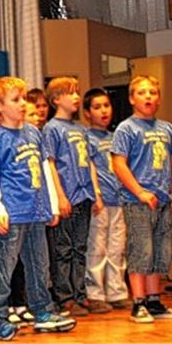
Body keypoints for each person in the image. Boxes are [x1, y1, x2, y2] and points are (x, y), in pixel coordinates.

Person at [0, 76, 75, 340]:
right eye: (16, 99)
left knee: (39, 264)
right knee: (4, 266)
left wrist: (52, 205)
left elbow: (45, 169)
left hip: (36, 211)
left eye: (23, 99)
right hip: (13, 214)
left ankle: (42, 310)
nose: (23, 104)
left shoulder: (33, 132)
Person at [111, 75, 172, 323]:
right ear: (132, 99)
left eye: (153, 92)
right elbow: (119, 164)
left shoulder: (166, 128)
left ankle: (154, 300)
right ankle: (139, 302)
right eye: (142, 93)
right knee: (141, 249)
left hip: (163, 199)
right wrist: (139, 191)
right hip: (138, 201)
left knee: (159, 251)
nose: (148, 97)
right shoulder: (127, 128)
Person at [41, 77, 100, 316]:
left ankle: (80, 293)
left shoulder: (81, 130)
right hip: (68, 196)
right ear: (56, 100)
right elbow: (51, 164)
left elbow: (90, 163)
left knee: (80, 247)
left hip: (84, 194)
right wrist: (60, 196)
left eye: (77, 92)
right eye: (70, 93)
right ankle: (65, 296)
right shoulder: (52, 128)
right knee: (63, 249)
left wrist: (96, 191)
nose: (76, 97)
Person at [83, 88, 128, 311]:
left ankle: (116, 291)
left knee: (117, 248)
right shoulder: (86, 138)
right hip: (100, 201)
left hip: (119, 200)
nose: (103, 111)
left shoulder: (116, 137)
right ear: (87, 113)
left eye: (106, 106)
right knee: (97, 247)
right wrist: (96, 194)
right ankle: (95, 294)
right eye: (97, 107)